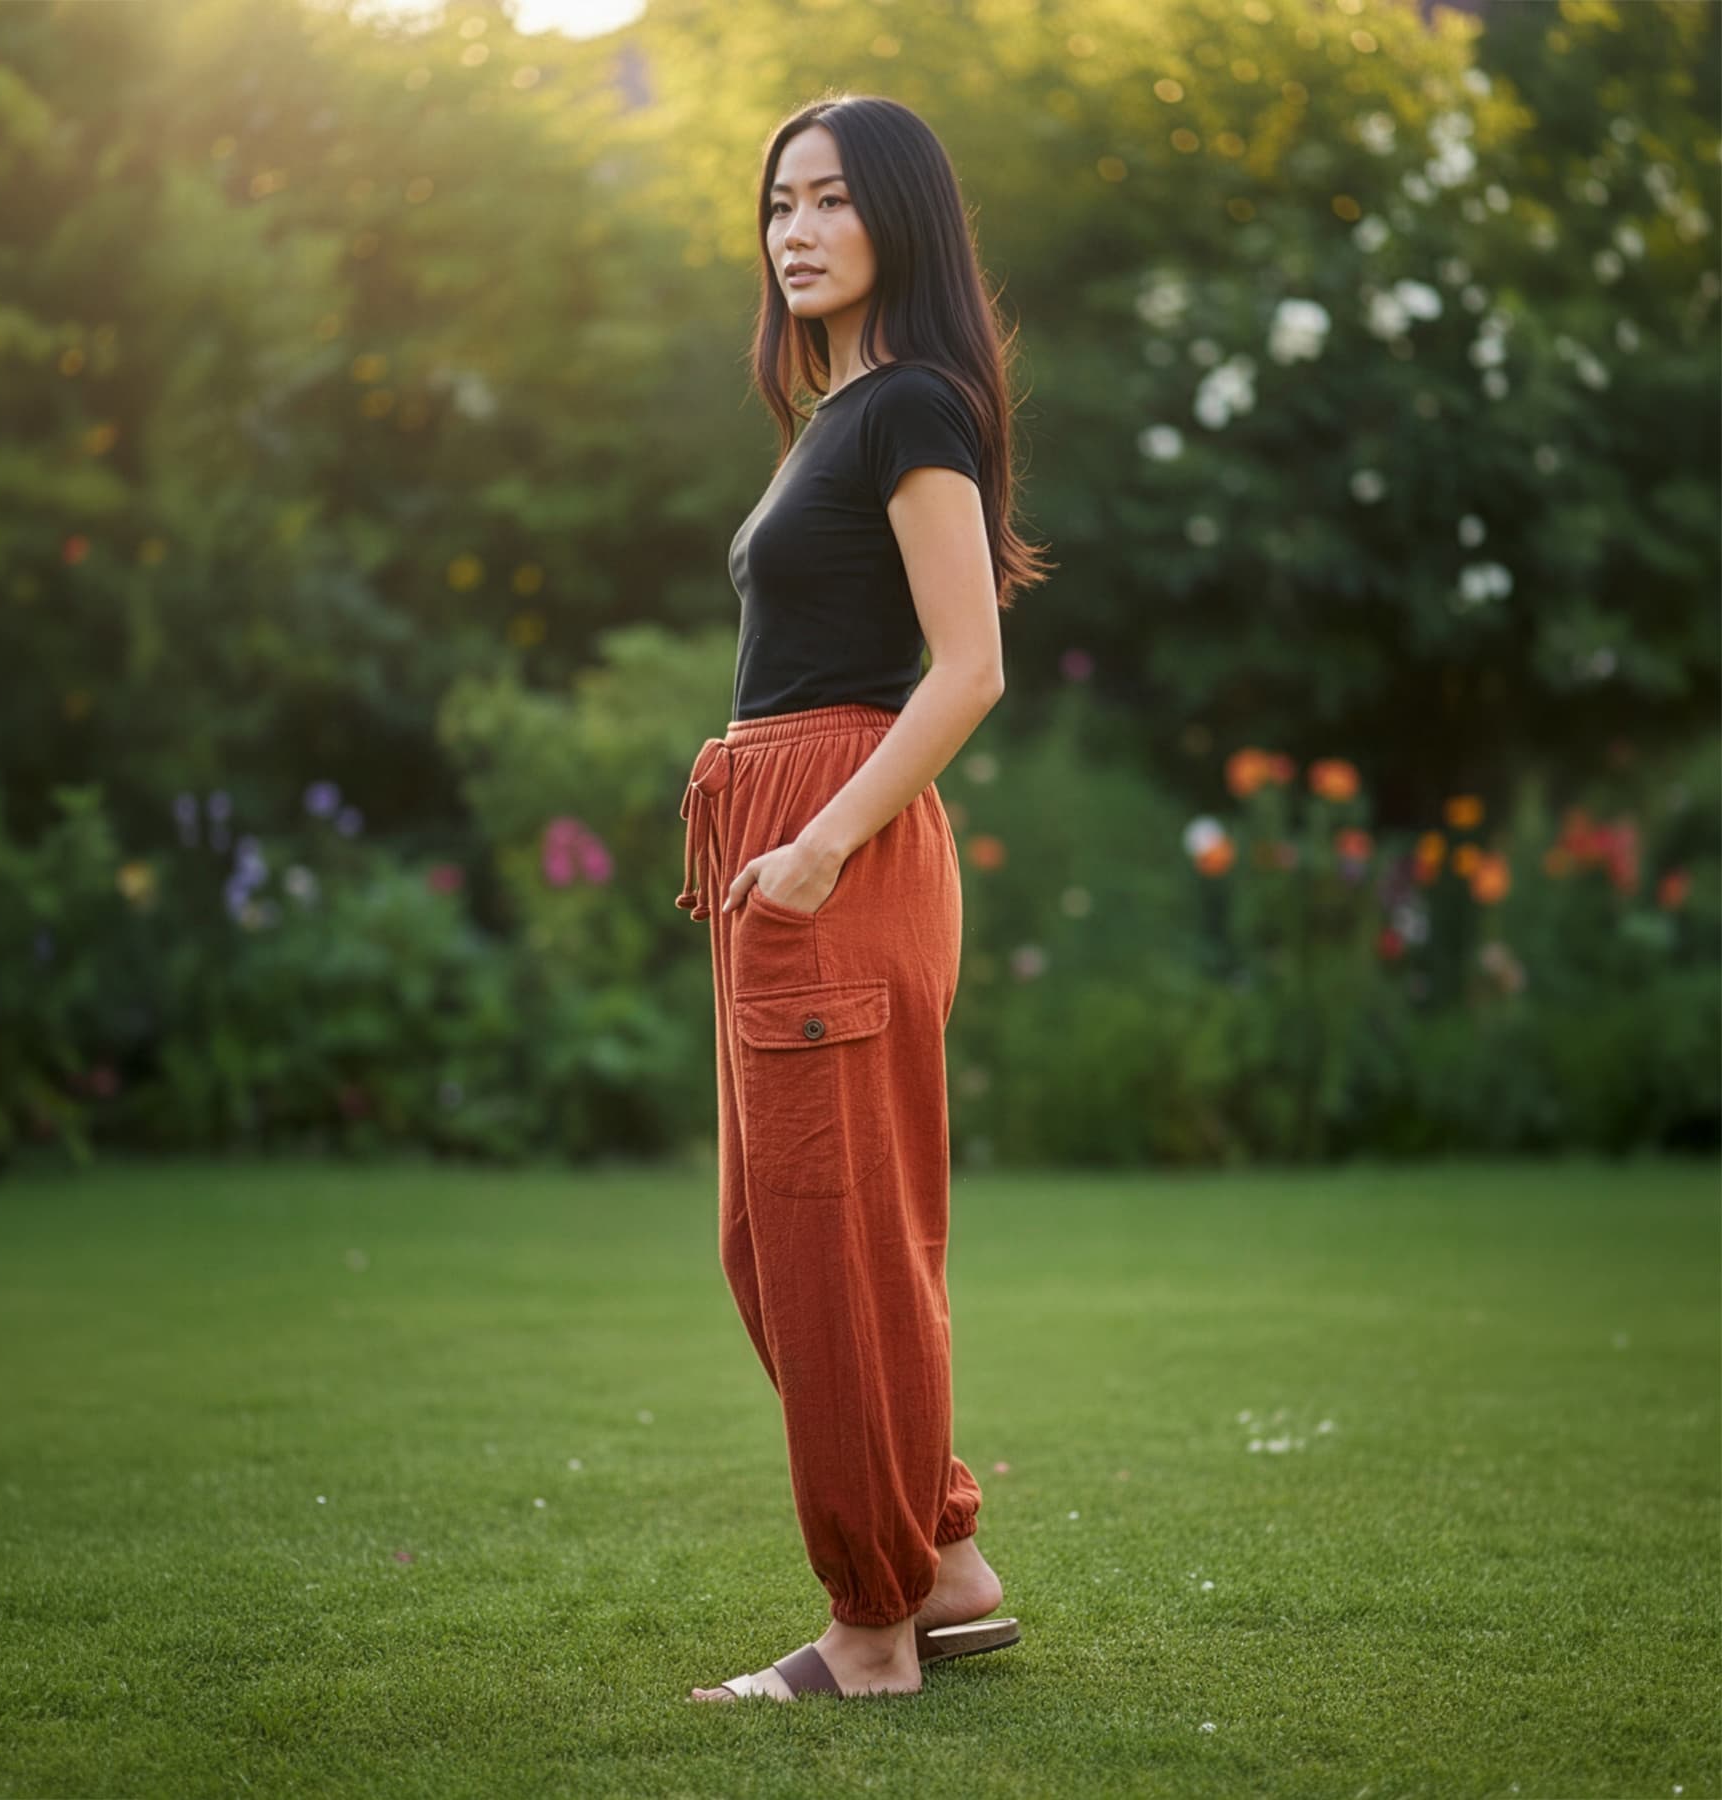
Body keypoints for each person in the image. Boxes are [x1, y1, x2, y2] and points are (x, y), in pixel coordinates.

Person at [675, 93, 1052, 1703]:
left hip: (833, 836)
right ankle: (943, 1561)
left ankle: (872, 1629)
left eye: (831, 198)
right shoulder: (839, 415)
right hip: (788, 833)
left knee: (833, 1251)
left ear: (899, 216)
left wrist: (823, 840)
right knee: (781, 1248)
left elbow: (968, 667)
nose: (798, 229)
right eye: (780, 203)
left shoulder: (908, 408)